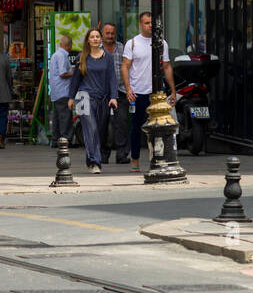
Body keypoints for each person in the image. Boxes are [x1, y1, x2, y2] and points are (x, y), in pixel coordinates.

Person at [121, 11, 175, 173]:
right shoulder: (132, 43)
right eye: (146, 23)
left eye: (152, 22)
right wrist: (128, 88)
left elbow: (166, 66)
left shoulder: (161, 43)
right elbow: (125, 66)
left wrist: (172, 90)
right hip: (138, 92)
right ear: (140, 24)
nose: (150, 25)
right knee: (136, 128)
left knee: (159, 128)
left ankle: (158, 158)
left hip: (157, 93)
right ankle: (135, 161)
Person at [68, 27, 119, 174]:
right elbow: (75, 80)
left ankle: (90, 159)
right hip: (85, 97)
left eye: (97, 36)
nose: (95, 39)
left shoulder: (108, 57)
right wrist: (71, 97)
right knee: (91, 129)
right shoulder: (81, 57)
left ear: (100, 39)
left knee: (100, 131)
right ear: (88, 40)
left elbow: (112, 79)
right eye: (92, 37)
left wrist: (114, 97)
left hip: (102, 98)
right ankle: (95, 162)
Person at [101, 22, 128, 164]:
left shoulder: (121, 47)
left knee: (122, 123)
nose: (110, 36)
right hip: (102, 92)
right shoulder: (96, 49)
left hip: (120, 91)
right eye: (107, 33)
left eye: (112, 33)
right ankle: (102, 155)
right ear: (102, 34)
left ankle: (122, 155)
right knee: (102, 124)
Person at [49, 35, 75, 143]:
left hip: (56, 92)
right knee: (65, 117)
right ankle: (66, 139)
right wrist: (73, 72)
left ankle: (55, 140)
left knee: (57, 117)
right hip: (63, 91)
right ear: (69, 46)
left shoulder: (56, 54)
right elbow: (63, 73)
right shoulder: (62, 56)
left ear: (60, 44)